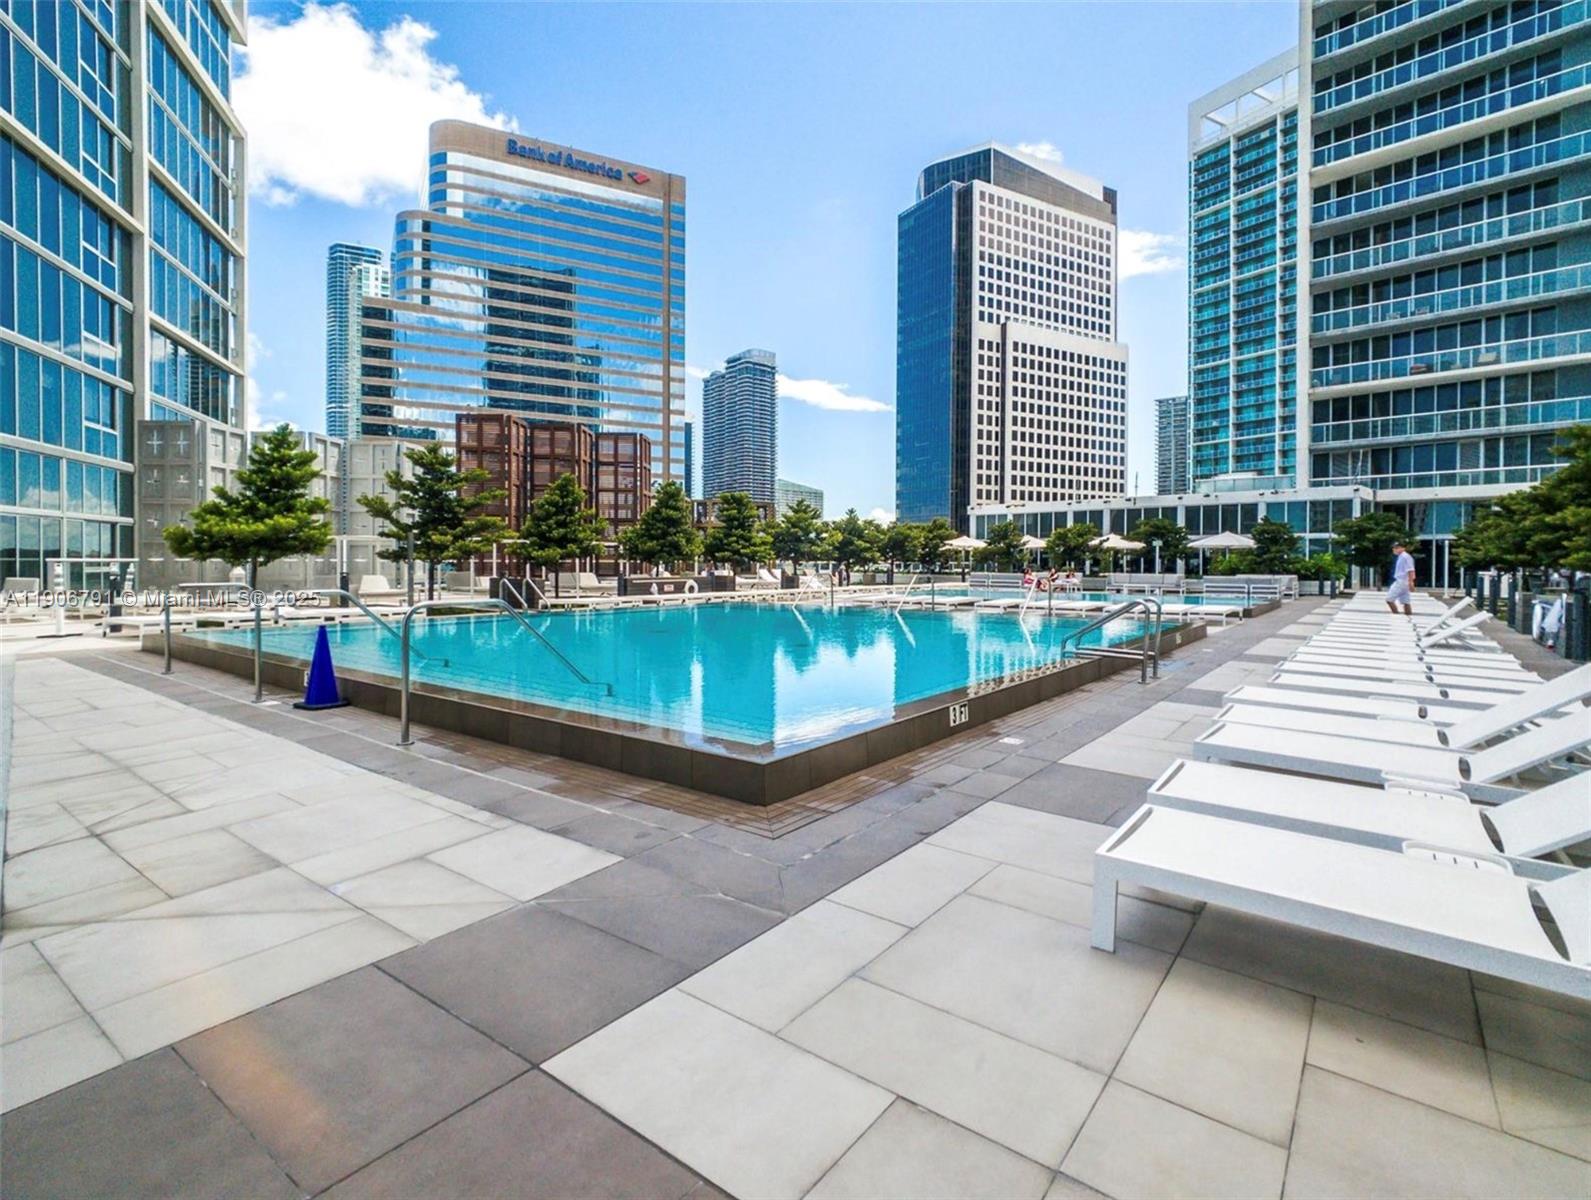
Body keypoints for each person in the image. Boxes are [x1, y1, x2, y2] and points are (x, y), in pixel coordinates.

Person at [1385, 540, 1416, 615]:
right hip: (1404, 581)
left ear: (1403, 548)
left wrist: (1411, 582)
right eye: (1394, 548)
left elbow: (1410, 570)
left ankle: (1396, 614)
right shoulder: (1401, 556)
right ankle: (1408, 615)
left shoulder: (1405, 557)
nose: (1395, 549)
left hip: (1401, 581)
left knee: (1389, 599)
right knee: (1406, 601)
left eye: (1397, 548)